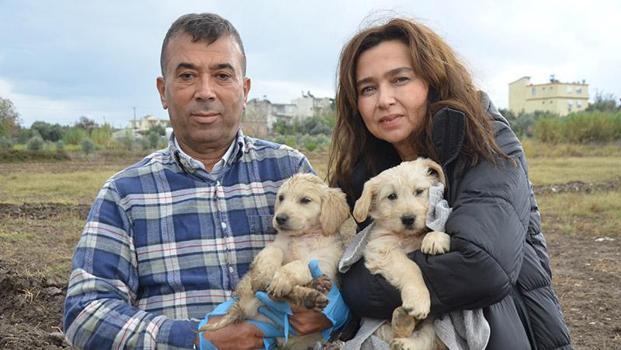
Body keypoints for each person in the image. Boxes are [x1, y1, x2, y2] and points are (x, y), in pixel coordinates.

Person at [63, 13, 336, 349]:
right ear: (163, 92)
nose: (205, 92)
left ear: (244, 89)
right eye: (187, 75)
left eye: (222, 75)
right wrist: (194, 339)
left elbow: (341, 261)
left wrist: (335, 308)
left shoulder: (289, 170)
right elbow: (85, 312)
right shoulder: (124, 195)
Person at [327, 18, 572, 349]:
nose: (384, 99)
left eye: (400, 79)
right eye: (368, 88)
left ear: (432, 80)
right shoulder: (371, 169)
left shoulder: (485, 139)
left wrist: (356, 290)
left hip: (504, 333)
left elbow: (482, 267)